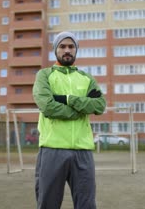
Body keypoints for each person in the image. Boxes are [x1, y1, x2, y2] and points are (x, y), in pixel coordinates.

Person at [32, 31, 107, 209]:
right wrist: (81, 110)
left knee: (87, 205)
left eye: (71, 46)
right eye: (62, 46)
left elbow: (99, 105)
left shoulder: (86, 79)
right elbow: (48, 107)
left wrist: (68, 99)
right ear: (55, 50)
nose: (67, 50)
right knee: (48, 204)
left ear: (76, 50)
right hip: (52, 148)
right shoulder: (44, 75)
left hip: (83, 151)